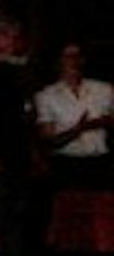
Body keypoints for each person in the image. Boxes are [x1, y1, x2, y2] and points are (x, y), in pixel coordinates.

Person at [34, 41, 112, 188]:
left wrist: (106, 122)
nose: (74, 59)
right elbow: (48, 141)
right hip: (66, 166)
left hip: (102, 164)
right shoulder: (45, 95)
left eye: (77, 55)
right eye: (68, 55)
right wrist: (78, 129)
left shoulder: (104, 89)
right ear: (58, 62)